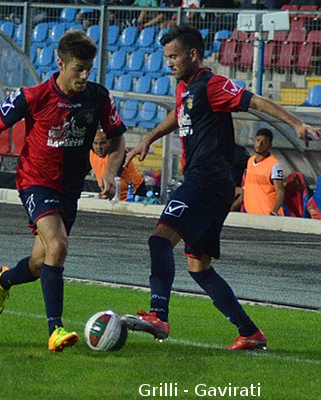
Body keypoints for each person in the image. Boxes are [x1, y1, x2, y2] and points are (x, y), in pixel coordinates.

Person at [123, 25, 321, 351]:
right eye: (166, 57)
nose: (168, 63)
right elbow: (180, 113)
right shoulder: (185, 88)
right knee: (199, 267)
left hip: (207, 180)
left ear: (193, 55)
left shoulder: (213, 85)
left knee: (160, 239)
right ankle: (249, 332)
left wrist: (295, 122)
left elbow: (254, 100)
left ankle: (158, 315)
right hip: (209, 185)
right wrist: (149, 137)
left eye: (174, 57)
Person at [0, 30, 127, 352]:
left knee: (39, 262)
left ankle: (4, 279)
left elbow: (117, 138)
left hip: (69, 187)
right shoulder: (32, 96)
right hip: (35, 181)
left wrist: (111, 172)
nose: (84, 76)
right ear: (60, 63)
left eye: (88, 68)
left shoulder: (98, 97)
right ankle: (55, 330)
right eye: (77, 69)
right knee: (58, 244)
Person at [234, 128, 285, 215]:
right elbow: (247, 190)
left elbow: (280, 191)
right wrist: (232, 208)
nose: (259, 144)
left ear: (270, 145)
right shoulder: (250, 161)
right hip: (251, 215)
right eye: (258, 140)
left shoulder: (274, 165)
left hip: (267, 215)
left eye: (264, 142)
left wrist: (274, 212)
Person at [90, 129, 145, 201]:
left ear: (110, 142)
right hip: (114, 196)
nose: (99, 147)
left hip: (134, 193)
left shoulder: (118, 154)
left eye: (102, 143)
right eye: (95, 143)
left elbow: (114, 179)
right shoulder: (91, 153)